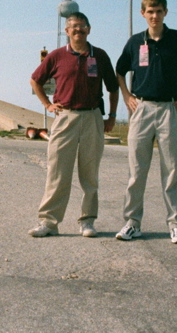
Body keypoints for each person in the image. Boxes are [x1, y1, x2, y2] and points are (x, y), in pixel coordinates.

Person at [114, 0, 177, 244]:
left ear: (165, 12)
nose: (154, 15)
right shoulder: (135, 42)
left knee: (172, 170)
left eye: (158, 11)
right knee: (136, 171)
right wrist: (127, 96)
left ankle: (176, 224)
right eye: (150, 11)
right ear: (142, 14)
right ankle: (132, 222)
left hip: (170, 109)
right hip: (142, 109)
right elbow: (120, 70)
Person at [28, 12, 119, 238]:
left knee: (89, 174)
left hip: (92, 117)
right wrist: (47, 104)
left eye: (82, 27)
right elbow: (35, 80)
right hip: (65, 117)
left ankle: (87, 221)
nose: (78, 30)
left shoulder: (100, 56)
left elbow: (113, 87)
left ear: (89, 29)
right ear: (67, 31)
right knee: (57, 172)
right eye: (73, 27)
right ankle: (49, 222)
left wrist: (112, 116)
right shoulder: (57, 56)